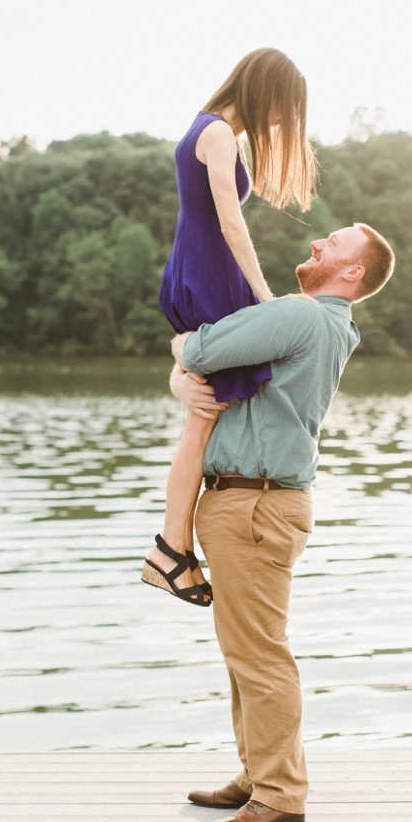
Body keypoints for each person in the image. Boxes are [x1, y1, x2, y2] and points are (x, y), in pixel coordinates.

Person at [169, 222, 396, 822]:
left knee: (260, 653)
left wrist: (180, 353)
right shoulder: (322, 324)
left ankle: (280, 794)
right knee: (245, 648)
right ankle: (257, 774)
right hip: (253, 503)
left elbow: (202, 351)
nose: (318, 242)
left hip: (255, 507)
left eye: (334, 242)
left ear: (353, 272)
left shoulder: (305, 317)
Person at [142, 47, 318, 608]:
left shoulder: (212, 129)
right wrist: (265, 297)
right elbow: (228, 218)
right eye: (280, 112)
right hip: (210, 276)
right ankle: (169, 550)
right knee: (202, 421)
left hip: (203, 271)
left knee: (204, 413)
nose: (278, 125)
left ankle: (172, 548)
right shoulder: (216, 132)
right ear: (262, 90)